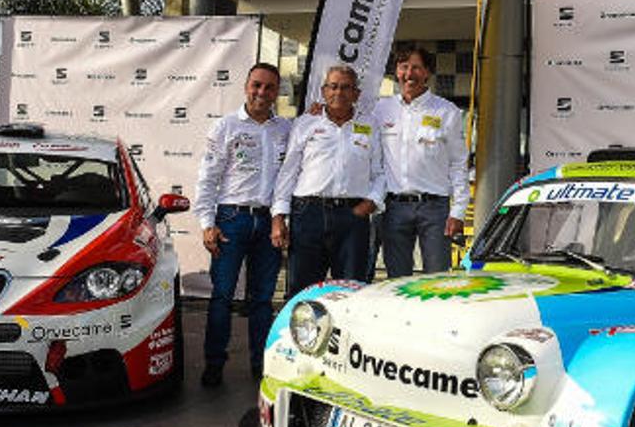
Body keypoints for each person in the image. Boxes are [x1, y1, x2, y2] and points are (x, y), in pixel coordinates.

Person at [194, 62, 291, 386]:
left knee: (262, 299)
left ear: (277, 92)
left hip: (268, 222)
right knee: (222, 296)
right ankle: (214, 363)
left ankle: (260, 364)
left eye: (269, 87)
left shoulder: (285, 129)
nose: (262, 92)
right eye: (257, 85)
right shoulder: (225, 127)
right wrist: (208, 223)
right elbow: (207, 179)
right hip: (231, 219)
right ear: (246, 86)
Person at [271, 65, 386, 295]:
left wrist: (370, 203)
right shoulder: (306, 123)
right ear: (323, 91)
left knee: (352, 291)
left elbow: (381, 172)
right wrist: (278, 217)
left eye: (346, 87)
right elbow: (288, 172)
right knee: (302, 291)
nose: (339, 92)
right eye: (333, 86)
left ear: (356, 94)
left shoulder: (370, 125)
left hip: (353, 217)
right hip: (308, 215)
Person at [371, 45, 470, 278]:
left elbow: (458, 164)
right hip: (393, 207)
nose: (409, 73)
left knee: (436, 280)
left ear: (427, 73)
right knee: (397, 279)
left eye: (416, 67)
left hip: (435, 209)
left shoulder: (447, 112)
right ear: (396, 71)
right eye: (404, 67)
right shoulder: (380, 109)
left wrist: (458, 211)